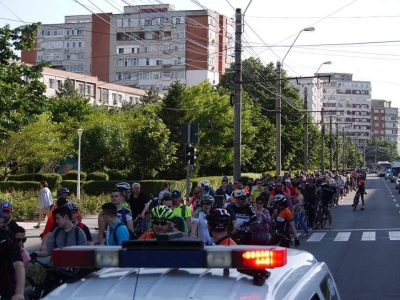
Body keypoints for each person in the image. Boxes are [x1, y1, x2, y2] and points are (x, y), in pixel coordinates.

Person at [0, 210, 26, 300]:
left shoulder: (8, 236)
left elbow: (18, 264)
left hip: (5, 285)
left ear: (1, 222)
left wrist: (19, 292)